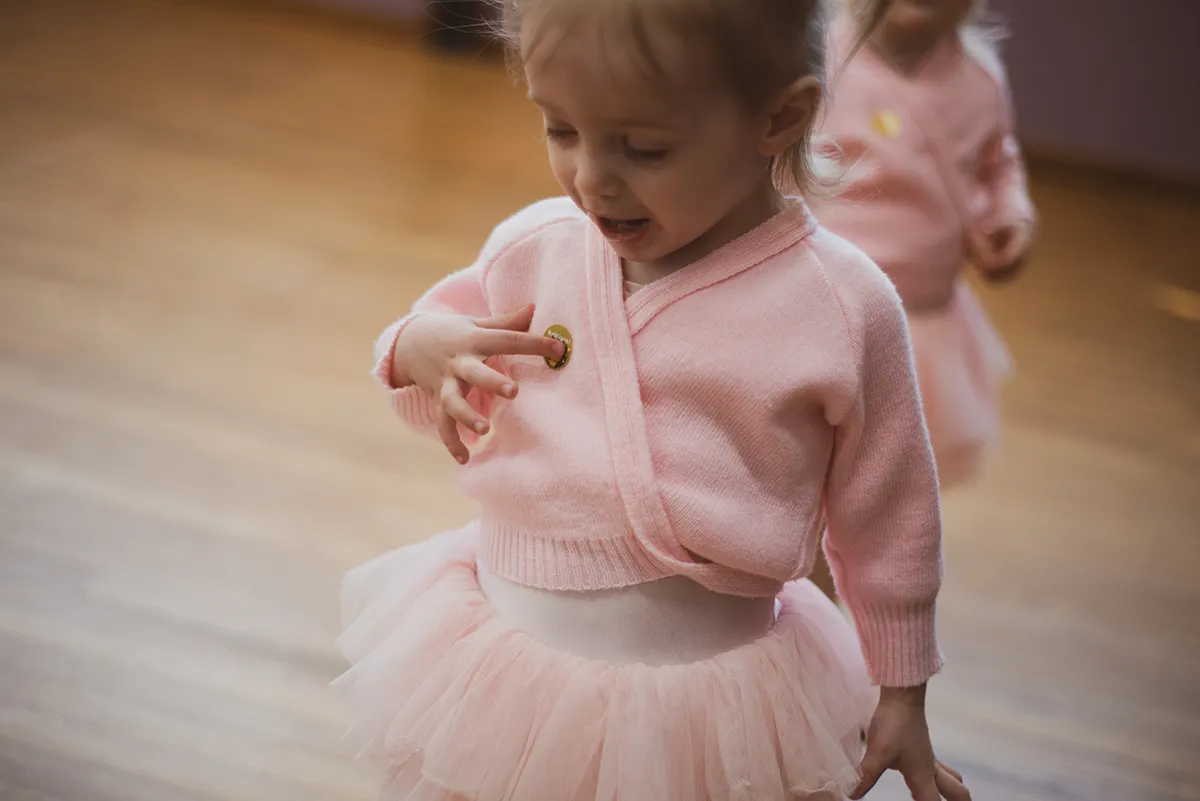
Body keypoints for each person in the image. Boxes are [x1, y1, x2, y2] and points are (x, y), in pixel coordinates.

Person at [335, 1, 970, 799]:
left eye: (643, 147)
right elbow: (437, 381)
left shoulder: (845, 306)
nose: (591, 178)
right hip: (510, 687)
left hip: (711, 713)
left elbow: (891, 513)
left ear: (779, 118)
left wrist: (902, 686)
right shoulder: (536, 248)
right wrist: (418, 350)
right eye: (561, 129)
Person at [816, 0, 1037, 487]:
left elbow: (1000, 162)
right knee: (811, 459)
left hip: (921, 325)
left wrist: (1010, 216)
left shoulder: (980, 80)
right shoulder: (818, 54)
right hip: (823, 316)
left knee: (892, 474)